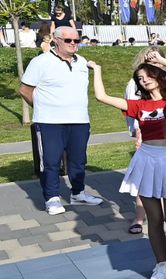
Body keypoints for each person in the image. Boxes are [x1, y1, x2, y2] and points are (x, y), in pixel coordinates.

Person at [87, 58, 166, 279]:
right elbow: (101, 97)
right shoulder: (139, 105)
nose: (144, 80)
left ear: (159, 76)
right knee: (154, 219)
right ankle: (161, 263)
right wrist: (97, 70)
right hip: (147, 160)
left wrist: (163, 61)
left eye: (148, 75)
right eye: (139, 78)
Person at [19, 25, 105, 215]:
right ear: (56, 41)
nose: (74, 43)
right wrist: (43, 107)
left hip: (80, 121)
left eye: (76, 40)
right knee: (50, 161)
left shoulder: (81, 62)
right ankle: (52, 198)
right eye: (68, 40)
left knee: (78, 160)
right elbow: (25, 90)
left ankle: (78, 193)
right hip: (50, 122)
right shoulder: (40, 62)